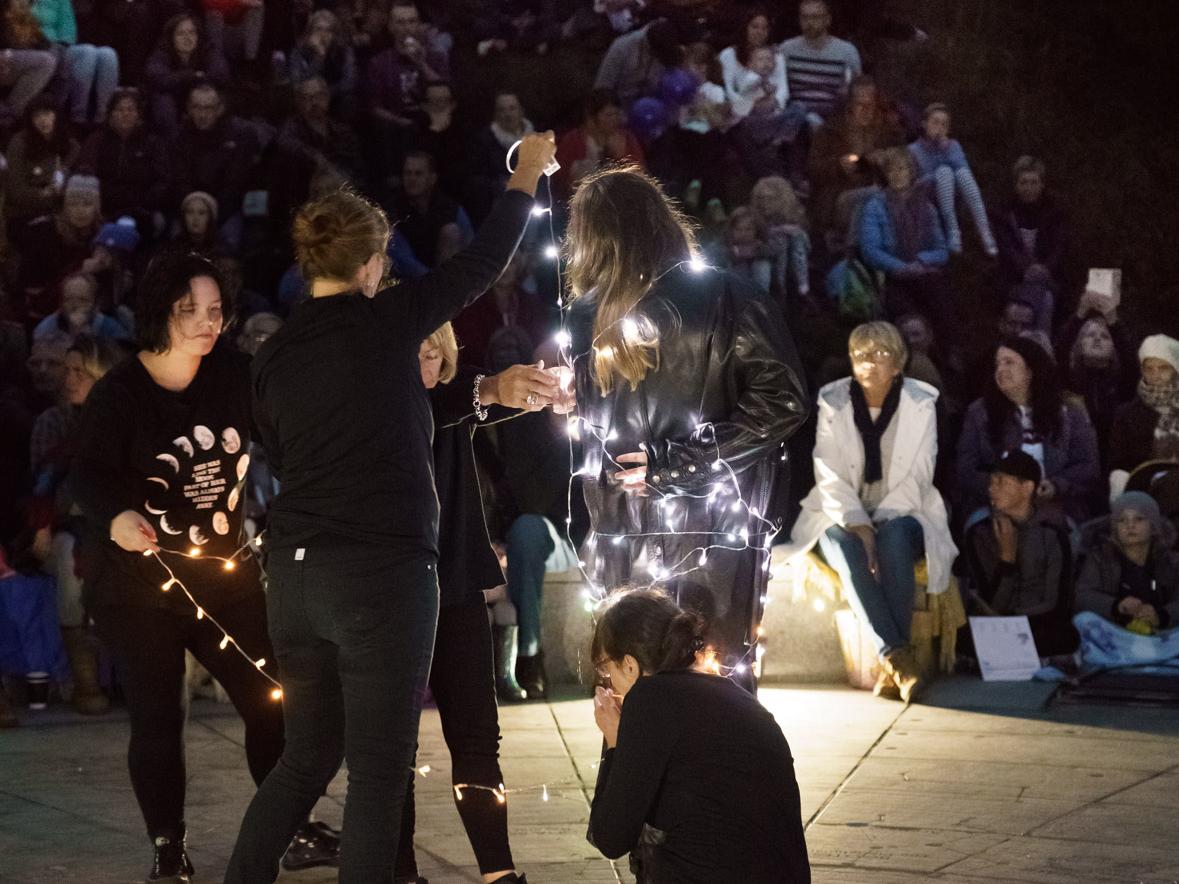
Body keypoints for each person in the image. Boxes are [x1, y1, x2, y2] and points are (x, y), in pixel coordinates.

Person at [225, 131, 557, 884]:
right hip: (379, 574)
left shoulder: (272, 352)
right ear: (372, 264)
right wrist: (529, 173)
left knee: (305, 759)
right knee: (378, 773)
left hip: (296, 579)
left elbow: (281, 446)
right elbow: (482, 261)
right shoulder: (388, 319)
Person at [69, 252, 335, 881]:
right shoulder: (121, 395)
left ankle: (288, 827)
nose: (207, 323)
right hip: (140, 588)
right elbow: (87, 474)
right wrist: (116, 518)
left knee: (274, 701)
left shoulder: (238, 376)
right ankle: (168, 847)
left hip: (224, 577)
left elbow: (290, 429)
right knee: (160, 718)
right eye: (191, 311)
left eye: (216, 311)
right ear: (162, 313)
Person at [563, 165, 808, 686]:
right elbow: (783, 398)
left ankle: (631, 770)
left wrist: (675, 464)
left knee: (630, 690)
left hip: (637, 527)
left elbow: (783, 398)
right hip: (712, 531)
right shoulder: (727, 295)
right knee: (713, 686)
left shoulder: (592, 313)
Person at [396, 322, 547, 884]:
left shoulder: (453, 404)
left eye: (436, 341)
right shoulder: (376, 407)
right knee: (395, 747)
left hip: (454, 585)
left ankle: (499, 871)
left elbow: (460, 401)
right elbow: (457, 400)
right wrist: (489, 390)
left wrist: (512, 392)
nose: (429, 352)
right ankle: (400, 870)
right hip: (389, 597)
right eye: (416, 342)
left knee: (478, 735)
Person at [587, 587, 810, 882]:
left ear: (629, 665)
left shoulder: (649, 698)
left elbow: (610, 837)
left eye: (606, 669)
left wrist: (615, 744)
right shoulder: (732, 692)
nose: (609, 683)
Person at [784, 322, 955, 701]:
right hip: (842, 509)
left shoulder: (920, 402)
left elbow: (920, 474)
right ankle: (898, 659)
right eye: (861, 355)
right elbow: (827, 469)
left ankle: (893, 661)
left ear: (898, 363)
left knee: (893, 538)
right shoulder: (835, 400)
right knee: (845, 544)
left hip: (905, 507)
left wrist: (878, 524)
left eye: (880, 354)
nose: (869, 363)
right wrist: (859, 522)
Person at [28, 334, 127, 715]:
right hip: (67, 525)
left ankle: (137, 676)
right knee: (71, 560)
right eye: (66, 370)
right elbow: (42, 485)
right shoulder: (53, 423)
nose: (70, 378)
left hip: (117, 522)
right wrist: (42, 523)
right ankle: (85, 678)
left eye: (80, 371)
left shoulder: (123, 422)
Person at [958, 336, 1101, 525]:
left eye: (1009, 362)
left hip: (1058, 504)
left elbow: (1088, 465)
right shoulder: (979, 413)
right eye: (997, 364)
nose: (1001, 369)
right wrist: (1004, 489)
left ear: (1031, 370)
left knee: (1060, 533)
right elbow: (966, 468)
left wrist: (1056, 486)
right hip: (995, 505)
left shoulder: (1069, 412)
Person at [963, 449, 1075, 656]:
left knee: (1065, 635)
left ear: (1027, 488)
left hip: (1037, 622)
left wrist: (1014, 618)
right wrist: (1007, 557)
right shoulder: (980, 533)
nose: (991, 489)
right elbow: (988, 603)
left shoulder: (1052, 533)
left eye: (1001, 482)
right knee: (966, 637)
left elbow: (1056, 602)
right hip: (993, 622)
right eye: (991, 482)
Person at [858, 147, 951, 341]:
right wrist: (902, 267)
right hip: (893, 276)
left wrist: (921, 261)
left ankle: (948, 355)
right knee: (905, 315)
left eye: (901, 169)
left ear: (911, 172)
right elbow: (870, 250)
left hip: (924, 272)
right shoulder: (875, 206)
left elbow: (942, 250)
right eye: (891, 170)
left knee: (940, 303)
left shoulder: (927, 207)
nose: (897, 175)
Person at [807, 74, 905, 244]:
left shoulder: (889, 130)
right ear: (850, 104)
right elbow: (812, 168)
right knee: (871, 199)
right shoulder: (830, 130)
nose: (866, 110)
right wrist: (838, 165)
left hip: (880, 191)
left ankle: (857, 252)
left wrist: (887, 158)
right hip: (841, 196)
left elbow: (904, 158)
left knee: (875, 200)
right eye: (860, 105)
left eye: (870, 104)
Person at [169, 81, 259, 249]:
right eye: (197, 107)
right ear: (188, 109)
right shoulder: (178, 137)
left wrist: (211, 213)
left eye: (208, 108)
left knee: (229, 244)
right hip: (190, 206)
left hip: (226, 208)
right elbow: (179, 180)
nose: (202, 114)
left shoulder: (240, 135)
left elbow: (236, 182)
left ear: (220, 109)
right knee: (176, 245)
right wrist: (195, 208)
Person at [1075, 491, 1179, 632]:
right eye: (1122, 520)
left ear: (1153, 526)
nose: (1130, 525)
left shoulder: (1170, 561)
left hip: (1161, 634)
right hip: (1113, 633)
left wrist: (1162, 616)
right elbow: (1082, 596)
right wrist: (1117, 606)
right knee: (1083, 621)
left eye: (1139, 519)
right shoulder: (1099, 558)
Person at [1055, 298, 1137, 472]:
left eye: (1105, 336)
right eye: (1090, 335)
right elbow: (1060, 350)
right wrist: (1079, 315)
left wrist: (1113, 321)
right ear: (1080, 343)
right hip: (1076, 463)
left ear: (1113, 348)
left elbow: (1129, 356)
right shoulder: (1069, 378)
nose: (1097, 339)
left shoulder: (1123, 382)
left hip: (1114, 463)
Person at [908, 103, 996, 256]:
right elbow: (913, 182)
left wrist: (946, 150)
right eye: (935, 122)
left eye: (944, 124)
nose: (939, 128)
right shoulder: (913, 150)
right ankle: (952, 229)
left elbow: (963, 170)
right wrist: (936, 175)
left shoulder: (952, 146)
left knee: (958, 172)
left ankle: (984, 230)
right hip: (927, 195)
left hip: (954, 194)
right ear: (924, 124)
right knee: (944, 171)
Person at [75, 88, 172, 225]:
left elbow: (163, 180)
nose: (125, 114)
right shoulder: (96, 140)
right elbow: (85, 173)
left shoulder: (152, 142)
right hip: (103, 208)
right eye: (119, 109)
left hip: (141, 208)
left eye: (130, 110)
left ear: (138, 115)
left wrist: (144, 202)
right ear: (111, 114)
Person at [1109, 335, 1179, 495]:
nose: (1155, 374)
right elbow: (1118, 462)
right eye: (1149, 368)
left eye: (1163, 368)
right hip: (1143, 487)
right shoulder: (1127, 414)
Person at [31, 0, 119, 126]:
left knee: (108, 54)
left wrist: (63, 44)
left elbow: (68, 25)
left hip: (59, 47)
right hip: (34, 47)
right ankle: (78, 118)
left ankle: (103, 117)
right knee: (87, 52)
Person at [779, 0, 862, 127]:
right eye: (804, 17)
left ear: (827, 20)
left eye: (815, 17)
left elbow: (859, 89)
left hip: (833, 114)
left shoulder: (846, 52)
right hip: (797, 115)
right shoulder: (787, 50)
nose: (809, 23)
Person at [144, 13, 230, 135]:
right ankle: (172, 142)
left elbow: (221, 74)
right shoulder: (161, 53)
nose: (187, 37)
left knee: (213, 96)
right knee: (162, 98)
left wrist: (196, 84)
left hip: (203, 100)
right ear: (171, 37)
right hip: (175, 103)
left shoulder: (207, 49)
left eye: (191, 33)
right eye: (181, 33)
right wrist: (193, 76)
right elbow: (157, 79)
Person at [989, 155, 1067, 291]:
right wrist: (1028, 271)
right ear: (1016, 185)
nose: (1028, 188)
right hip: (1013, 281)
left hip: (1049, 279)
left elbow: (1059, 247)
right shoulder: (1003, 213)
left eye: (1034, 182)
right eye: (1023, 182)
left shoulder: (1055, 212)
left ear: (1042, 184)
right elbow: (1006, 249)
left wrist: (1044, 270)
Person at [554, 89, 646, 200]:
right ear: (592, 118)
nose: (615, 119)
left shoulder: (627, 139)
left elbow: (639, 177)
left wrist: (621, 157)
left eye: (616, 114)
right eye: (609, 115)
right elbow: (558, 177)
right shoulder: (573, 140)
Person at [3, 94, 78, 229]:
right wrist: (43, 194)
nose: (43, 120)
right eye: (36, 116)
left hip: (60, 213)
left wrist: (62, 188)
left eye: (47, 114)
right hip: (24, 214)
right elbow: (15, 191)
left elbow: (73, 180)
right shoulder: (19, 143)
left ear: (56, 115)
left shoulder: (71, 145)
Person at [394, 149, 473, 269]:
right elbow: (402, 258)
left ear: (432, 178)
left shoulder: (450, 208)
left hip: (446, 278)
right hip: (409, 281)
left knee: (451, 231)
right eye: (407, 173)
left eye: (418, 173)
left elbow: (470, 244)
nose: (412, 179)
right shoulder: (394, 209)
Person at [287, 10, 359, 116]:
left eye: (328, 30)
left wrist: (323, 95)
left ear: (334, 35)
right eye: (318, 29)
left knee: (350, 101)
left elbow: (349, 81)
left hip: (335, 97)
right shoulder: (299, 51)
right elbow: (297, 84)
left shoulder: (345, 50)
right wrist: (319, 57)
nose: (323, 35)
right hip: (307, 98)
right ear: (310, 32)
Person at [31, 271, 128, 344]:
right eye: (69, 300)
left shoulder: (111, 329)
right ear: (61, 304)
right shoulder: (45, 330)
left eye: (83, 300)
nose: (75, 306)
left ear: (96, 305)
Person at [0, 0, 57, 123]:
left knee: (54, 56)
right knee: (45, 61)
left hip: (13, 62)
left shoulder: (25, 17)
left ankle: (10, 113)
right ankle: (9, 114)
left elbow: (43, 43)